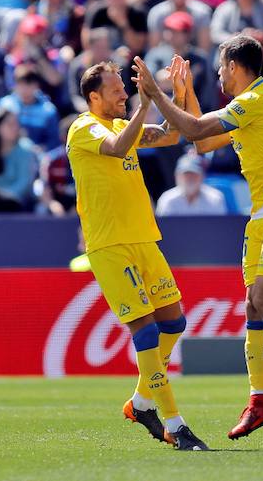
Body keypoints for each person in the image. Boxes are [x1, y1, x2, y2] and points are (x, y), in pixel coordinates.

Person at [132, 37, 263, 440]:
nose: (218, 73)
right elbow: (201, 142)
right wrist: (186, 93)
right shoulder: (245, 107)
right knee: (253, 307)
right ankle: (260, 400)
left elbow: (194, 127)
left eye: (220, 66)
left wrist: (156, 95)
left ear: (235, 65)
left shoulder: (255, 99)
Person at [67, 60, 208, 450]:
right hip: (110, 245)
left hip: (144, 239)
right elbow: (116, 148)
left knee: (173, 324)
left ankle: (142, 402)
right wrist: (145, 104)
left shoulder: (119, 123)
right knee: (145, 332)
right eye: (116, 91)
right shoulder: (84, 128)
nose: (123, 95)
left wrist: (175, 96)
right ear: (94, 97)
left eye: (124, 88)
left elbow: (170, 135)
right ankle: (175, 424)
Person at [144, 11, 214, 111]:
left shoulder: (200, 59)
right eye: (169, 30)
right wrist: (185, 78)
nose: (172, 34)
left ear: (188, 34)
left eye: (178, 31)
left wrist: (167, 77)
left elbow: (207, 93)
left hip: (191, 110)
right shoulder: (156, 54)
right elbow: (149, 83)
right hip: (160, 107)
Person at [82, 0, 148, 59]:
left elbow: (137, 47)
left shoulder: (137, 13)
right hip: (101, 56)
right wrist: (110, 53)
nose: (113, 1)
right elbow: (87, 39)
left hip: (129, 60)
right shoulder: (97, 11)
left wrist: (123, 24)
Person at [0, 65, 61, 150]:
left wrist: (37, 151)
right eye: (20, 84)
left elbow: (54, 141)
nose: (24, 89)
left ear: (37, 85)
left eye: (28, 84)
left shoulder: (48, 111)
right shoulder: (4, 105)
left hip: (39, 159)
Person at [146, 0, 213, 53]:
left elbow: (204, 49)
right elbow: (154, 47)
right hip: (165, 58)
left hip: (193, 58)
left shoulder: (202, 12)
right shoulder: (157, 13)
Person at [155, 154, 228, 216]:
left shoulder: (215, 198)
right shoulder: (167, 199)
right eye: (186, 175)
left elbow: (219, 228)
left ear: (202, 176)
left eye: (194, 174)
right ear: (177, 177)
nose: (190, 178)